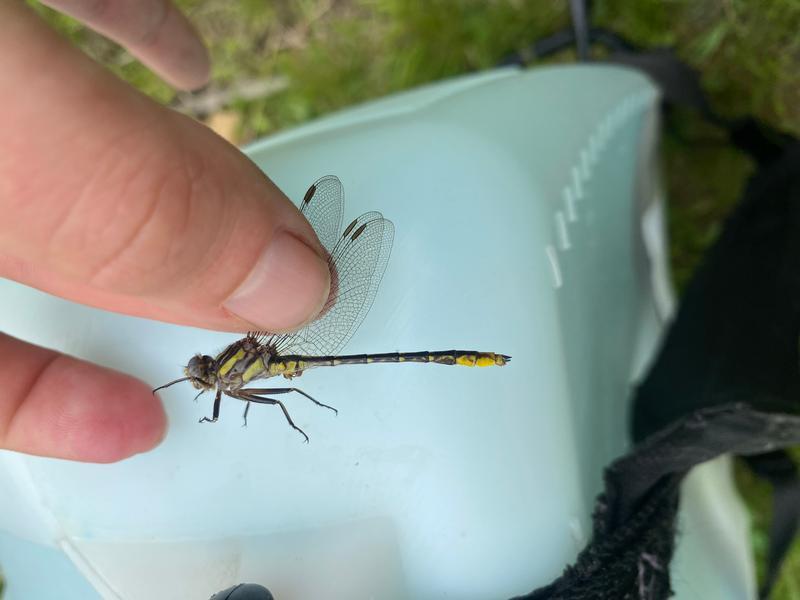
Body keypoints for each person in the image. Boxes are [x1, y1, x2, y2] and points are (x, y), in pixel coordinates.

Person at [0, 1, 331, 463]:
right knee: (281, 396)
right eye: (203, 374)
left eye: (202, 375)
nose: (203, 376)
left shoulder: (229, 374)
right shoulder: (230, 377)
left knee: (283, 391)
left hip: (278, 327)